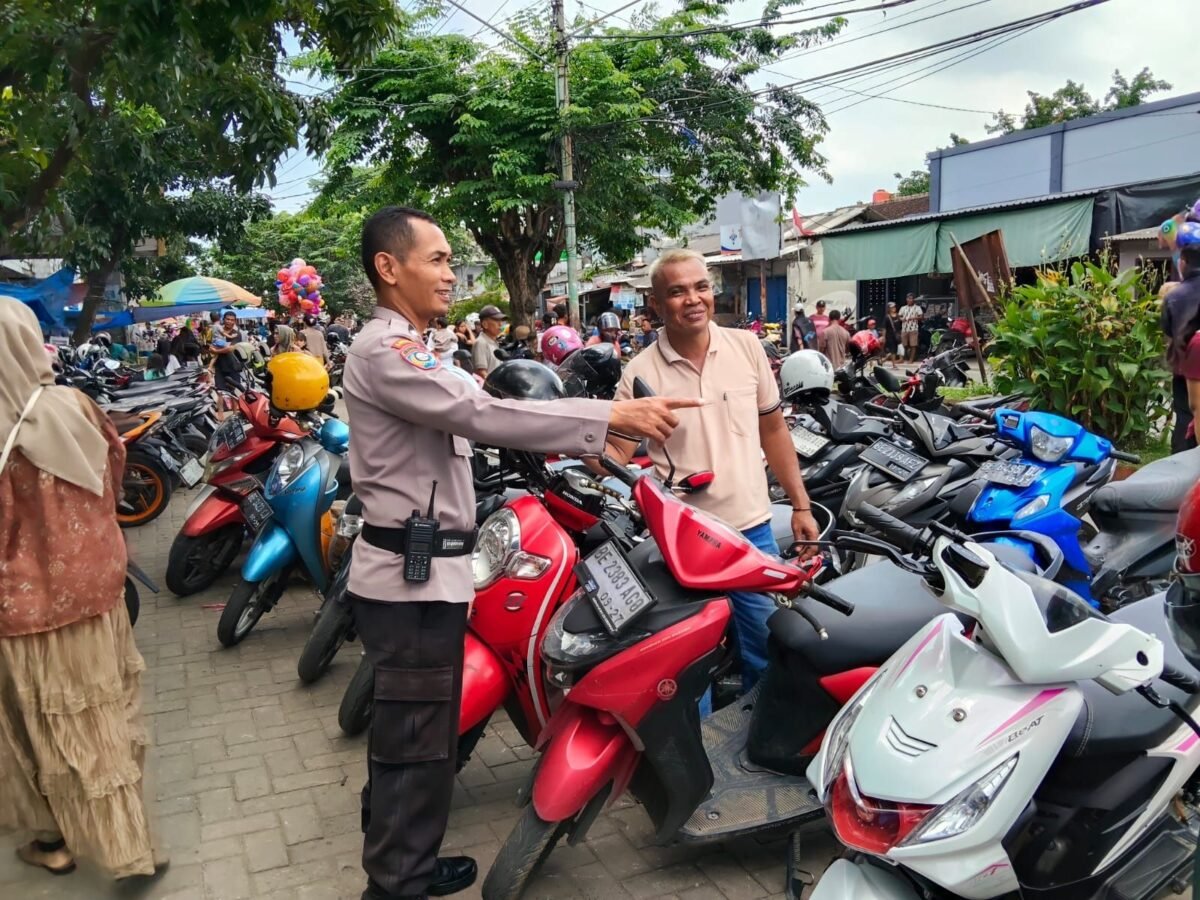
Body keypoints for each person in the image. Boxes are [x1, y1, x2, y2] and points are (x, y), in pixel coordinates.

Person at [342, 206, 700, 900]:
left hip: (430, 572)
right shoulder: (388, 351)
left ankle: (407, 863)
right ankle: (394, 885)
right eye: (438, 259)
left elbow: (477, 407)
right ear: (390, 268)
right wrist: (608, 418)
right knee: (415, 746)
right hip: (410, 582)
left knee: (425, 739)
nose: (451, 273)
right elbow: (486, 416)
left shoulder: (418, 348)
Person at [600, 248, 819, 696]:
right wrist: (565, 433)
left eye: (701, 287)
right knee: (686, 661)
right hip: (681, 544)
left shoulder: (746, 347)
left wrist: (800, 505)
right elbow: (614, 453)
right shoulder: (640, 371)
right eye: (677, 292)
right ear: (657, 305)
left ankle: (752, 743)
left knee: (765, 645)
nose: (693, 299)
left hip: (750, 532)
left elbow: (773, 430)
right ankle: (694, 755)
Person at [0, 299, 162, 881]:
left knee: (32, 727)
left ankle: (53, 839)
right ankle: (128, 843)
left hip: (18, 609)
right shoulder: (74, 405)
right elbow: (113, 472)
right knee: (103, 714)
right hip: (95, 589)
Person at [1165, 246, 1200, 453]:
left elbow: (1168, 328)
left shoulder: (1176, 293)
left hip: (1184, 360)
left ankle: (1181, 459)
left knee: (1186, 412)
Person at [211, 309, 246, 393]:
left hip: (233, 366)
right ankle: (221, 407)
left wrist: (216, 351)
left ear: (235, 321)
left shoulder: (236, 334)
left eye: (232, 320)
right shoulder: (218, 330)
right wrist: (213, 349)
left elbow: (230, 349)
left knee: (234, 392)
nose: (229, 322)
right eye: (227, 319)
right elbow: (210, 347)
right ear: (223, 319)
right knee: (220, 392)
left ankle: (235, 406)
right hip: (219, 366)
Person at [471, 304, 505, 376]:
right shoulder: (481, 343)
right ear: (485, 324)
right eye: (496, 320)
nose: (500, 324)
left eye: (501, 320)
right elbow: (482, 373)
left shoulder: (494, 341)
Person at [899, 292, 923, 362]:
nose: (910, 300)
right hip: (904, 329)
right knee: (903, 345)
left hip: (913, 329)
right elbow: (899, 316)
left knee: (913, 345)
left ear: (913, 300)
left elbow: (921, 316)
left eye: (911, 299)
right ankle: (902, 358)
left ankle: (911, 359)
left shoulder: (917, 308)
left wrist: (913, 318)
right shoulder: (903, 308)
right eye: (909, 298)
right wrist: (901, 319)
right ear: (906, 299)